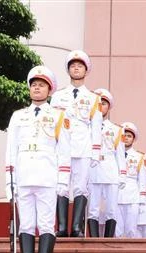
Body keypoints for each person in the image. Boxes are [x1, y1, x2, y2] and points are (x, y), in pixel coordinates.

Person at [5, 66, 71, 253]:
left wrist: (63, 181)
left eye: (41, 85)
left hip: (47, 177)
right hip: (23, 177)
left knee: (45, 224)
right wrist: (9, 181)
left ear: (49, 90)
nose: (36, 88)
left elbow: (64, 151)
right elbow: (11, 150)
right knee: (25, 225)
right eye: (33, 85)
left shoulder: (58, 117)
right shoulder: (18, 116)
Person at [50, 50, 102, 237]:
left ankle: (77, 227)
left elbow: (96, 127)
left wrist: (95, 152)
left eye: (80, 66)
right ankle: (62, 227)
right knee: (61, 185)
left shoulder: (93, 98)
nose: (76, 68)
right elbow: (53, 123)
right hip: (62, 146)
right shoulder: (57, 96)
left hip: (83, 146)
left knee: (81, 187)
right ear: (68, 70)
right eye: (73, 66)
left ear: (86, 70)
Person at [88, 88, 125, 237]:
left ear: (109, 107)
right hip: (93, 168)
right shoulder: (87, 126)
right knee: (93, 208)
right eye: (98, 103)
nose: (100, 106)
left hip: (110, 169)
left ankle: (109, 240)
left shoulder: (116, 129)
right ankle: (93, 242)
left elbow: (120, 154)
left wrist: (122, 174)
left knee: (111, 208)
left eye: (103, 103)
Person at [116, 122, 146, 238]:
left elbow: (142, 180)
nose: (126, 139)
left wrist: (142, 200)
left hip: (133, 196)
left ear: (134, 139)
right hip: (117, 194)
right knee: (117, 229)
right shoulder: (113, 153)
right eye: (124, 136)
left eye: (129, 136)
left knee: (131, 229)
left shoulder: (139, 157)